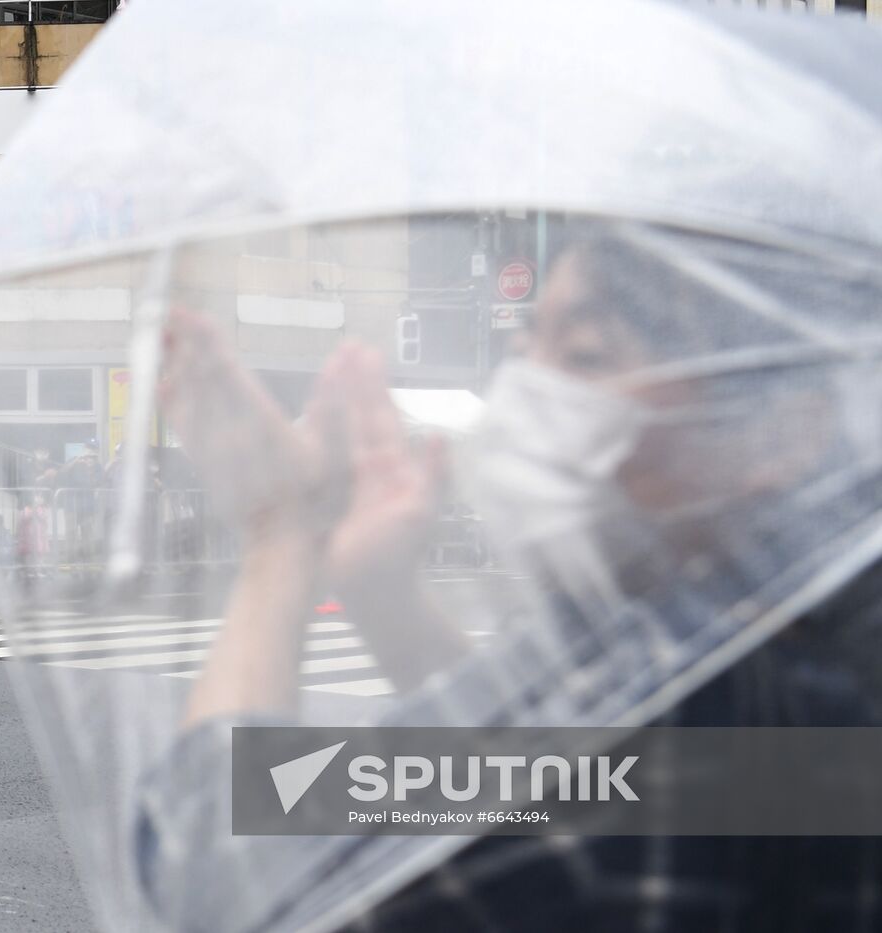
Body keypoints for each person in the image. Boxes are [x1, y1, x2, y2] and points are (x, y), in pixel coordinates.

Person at [132, 231, 882, 931]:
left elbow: (215, 851)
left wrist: (280, 536)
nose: (524, 392)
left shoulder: (682, 705)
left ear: (783, 432)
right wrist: (388, 603)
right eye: (527, 347)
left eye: (585, 356)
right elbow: (527, 757)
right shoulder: (786, 664)